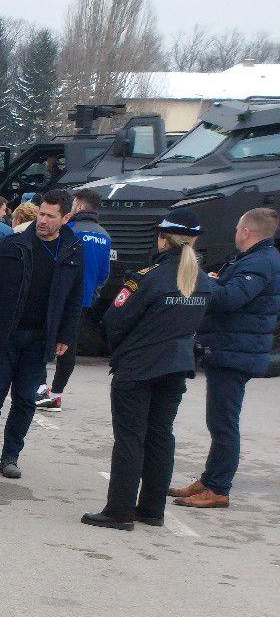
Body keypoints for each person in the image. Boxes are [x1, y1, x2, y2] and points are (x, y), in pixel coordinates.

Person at [83, 218, 218, 530]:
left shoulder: (147, 278)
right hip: (177, 366)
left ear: (162, 239)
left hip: (138, 366)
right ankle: (152, 508)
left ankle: (119, 511)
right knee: (160, 436)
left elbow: (113, 319)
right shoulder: (203, 281)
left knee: (130, 438)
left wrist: (122, 348)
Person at [0, 191, 83, 479]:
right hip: (5, 334)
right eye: (41, 213)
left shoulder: (72, 250)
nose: (42, 220)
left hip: (39, 339)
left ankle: (11, 456)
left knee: (25, 399)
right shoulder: (14, 244)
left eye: (50, 216)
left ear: (66, 218)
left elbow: (74, 298)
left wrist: (65, 335)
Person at [176, 205, 280, 510]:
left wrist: (205, 280)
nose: (235, 233)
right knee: (219, 420)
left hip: (236, 352)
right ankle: (210, 480)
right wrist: (217, 279)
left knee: (223, 423)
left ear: (246, 232)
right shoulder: (254, 259)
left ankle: (218, 487)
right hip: (232, 348)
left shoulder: (260, 262)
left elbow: (229, 299)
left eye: (237, 229)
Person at [37, 187, 113, 412]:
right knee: (68, 347)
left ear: (78, 206)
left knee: (43, 339)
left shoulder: (68, 229)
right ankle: (57, 394)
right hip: (84, 300)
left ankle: (40, 389)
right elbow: (104, 274)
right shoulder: (104, 236)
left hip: (56, 296)